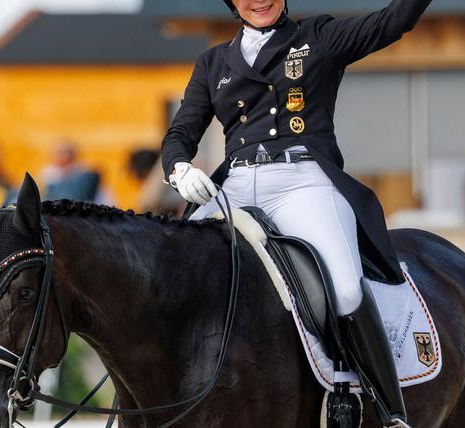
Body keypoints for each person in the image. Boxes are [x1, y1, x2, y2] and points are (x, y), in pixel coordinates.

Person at [161, 1, 431, 425]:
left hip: (302, 180)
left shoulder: (318, 37)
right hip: (234, 184)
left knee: (343, 289)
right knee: (175, 277)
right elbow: (181, 132)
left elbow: (395, 20)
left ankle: (384, 407)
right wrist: (178, 169)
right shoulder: (213, 61)